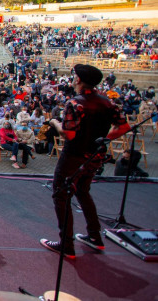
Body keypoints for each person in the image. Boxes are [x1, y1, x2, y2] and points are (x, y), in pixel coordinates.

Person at [40, 64, 130, 258]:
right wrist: (104, 140)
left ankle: (66, 244)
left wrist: (55, 122)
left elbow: (69, 134)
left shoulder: (75, 103)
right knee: (83, 191)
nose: (73, 79)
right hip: (95, 156)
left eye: (74, 76)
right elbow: (123, 127)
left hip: (73, 156)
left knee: (61, 195)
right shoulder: (108, 103)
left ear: (79, 80)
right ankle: (95, 237)